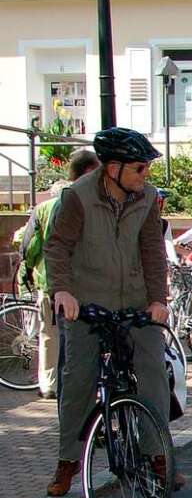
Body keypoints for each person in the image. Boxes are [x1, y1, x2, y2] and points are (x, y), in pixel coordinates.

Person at [44, 128, 183, 495]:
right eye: (140, 168)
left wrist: (158, 300)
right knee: (78, 379)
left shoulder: (147, 198)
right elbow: (57, 247)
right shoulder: (77, 197)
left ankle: (158, 455)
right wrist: (62, 291)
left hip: (135, 300)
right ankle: (68, 460)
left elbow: (153, 252)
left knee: (154, 370)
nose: (145, 175)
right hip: (85, 302)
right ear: (113, 169)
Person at [17, 148, 101, 400]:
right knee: (74, 339)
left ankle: (48, 382)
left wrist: (30, 269)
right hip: (76, 283)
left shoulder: (44, 208)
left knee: (49, 335)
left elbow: (31, 245)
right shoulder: (85, 201)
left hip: (47, 280)